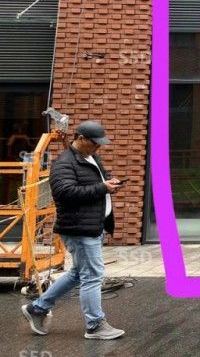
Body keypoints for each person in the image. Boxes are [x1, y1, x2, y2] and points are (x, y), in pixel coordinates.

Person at [21, 120, 125, 340]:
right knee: (92, 275)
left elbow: (98, 181)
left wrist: (109, 182)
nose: (99, 147)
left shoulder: (92, 158)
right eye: (95, 143)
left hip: (92, 225)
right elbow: (65, 193)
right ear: (81, 139)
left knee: (78, 273)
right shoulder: (64, 163)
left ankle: (37, 308)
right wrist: (102, 188)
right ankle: (95, 325)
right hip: (79, 229)